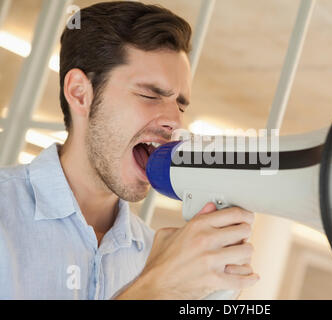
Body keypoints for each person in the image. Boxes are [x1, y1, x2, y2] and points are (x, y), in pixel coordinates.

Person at [0, 1, 259, 299]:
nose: (175, 122)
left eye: (181, 105)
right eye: (150, 94)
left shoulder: (155, 253)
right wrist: (155, 287)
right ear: (80, 93)